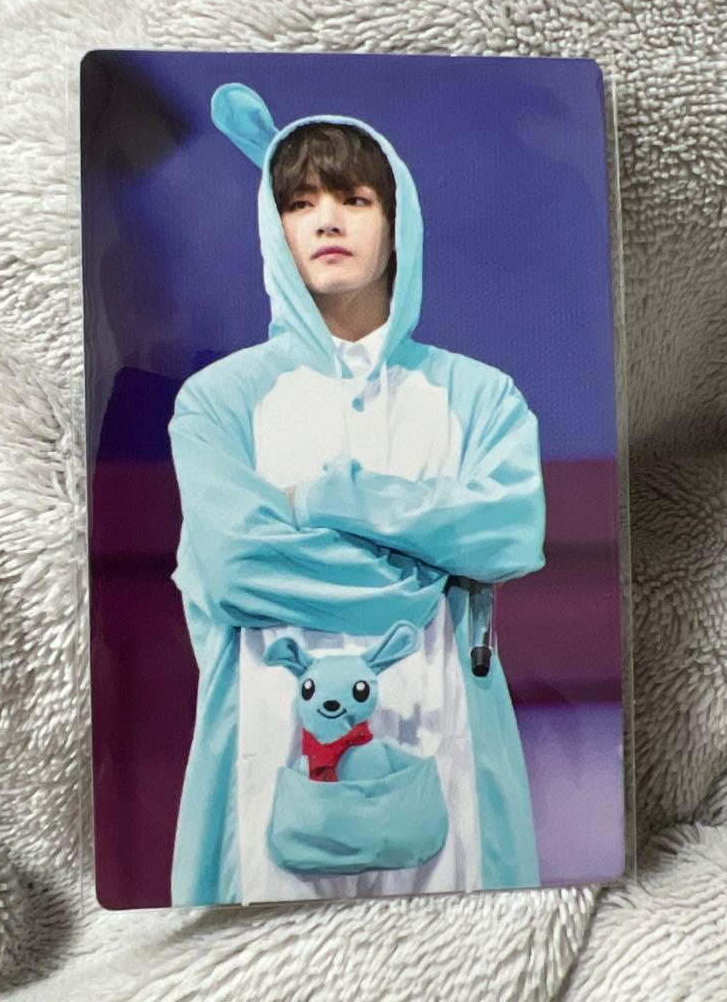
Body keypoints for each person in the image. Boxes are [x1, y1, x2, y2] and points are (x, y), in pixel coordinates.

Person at [169, 82, 547, 906]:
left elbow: (510, 533)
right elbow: (237, 568)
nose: (327, 220)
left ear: (398, 220)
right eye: (300, 203)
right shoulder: (218, 401)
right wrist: (426, 576)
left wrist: (330, 498)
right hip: (263, 761)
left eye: (354, 198)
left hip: (450, 756)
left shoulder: (481, 395)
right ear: (274, 229)